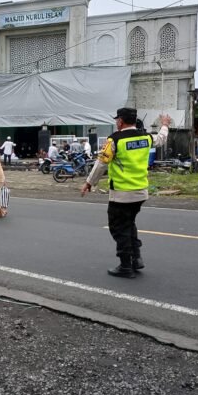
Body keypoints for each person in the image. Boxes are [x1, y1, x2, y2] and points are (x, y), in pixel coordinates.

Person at [81, 108, 171, 278]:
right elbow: (161, 139)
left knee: (118, 228)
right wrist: (165, 124)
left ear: (120, 121)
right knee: (129, 224)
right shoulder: (146, 137)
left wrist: (89, 183)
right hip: (140, 193)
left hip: (121, 194)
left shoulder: (114, 140)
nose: (116, 123)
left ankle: (125, 266)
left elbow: (101, 164)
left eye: (117, 120)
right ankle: (136, 258)